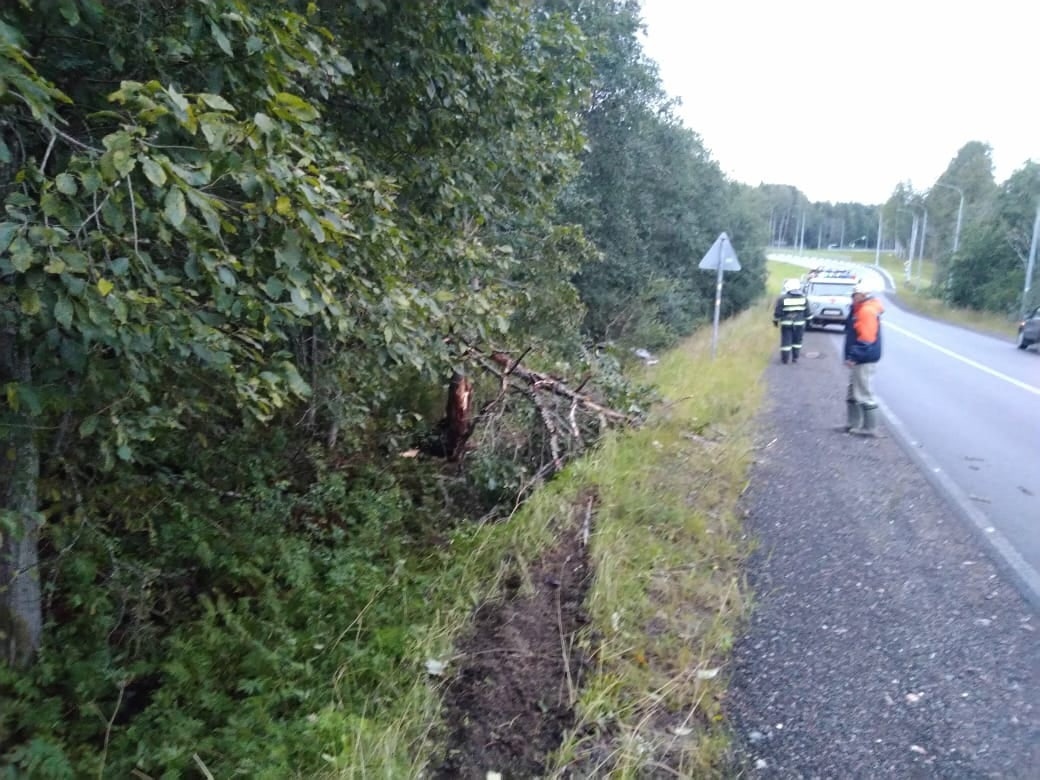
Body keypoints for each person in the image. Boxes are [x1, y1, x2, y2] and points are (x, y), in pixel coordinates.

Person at [844, 280, 884, 435]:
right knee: (853, 392)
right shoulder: (859, 309)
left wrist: (853, 356)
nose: (852, 297)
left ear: (863, 295)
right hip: (861, 356)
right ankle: (853, 424)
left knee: (864, 392)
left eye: (855, 294)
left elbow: (866, 338)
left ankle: (870, 428)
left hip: (864, 357)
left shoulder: (866, 311)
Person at [773, 278, 810, 364]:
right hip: (799, 324)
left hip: (786, 324)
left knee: (786, 341)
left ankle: (785, 359)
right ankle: (795, 358)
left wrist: (775, 321)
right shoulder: (804, 298)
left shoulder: (782, 298)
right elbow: (807, 312)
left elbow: (778, 312)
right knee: (797, 341)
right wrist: (808, 322)